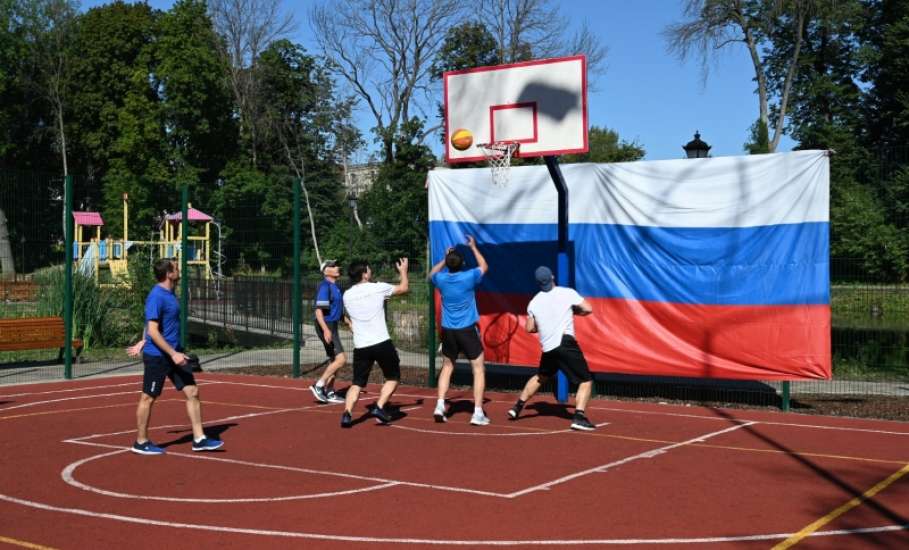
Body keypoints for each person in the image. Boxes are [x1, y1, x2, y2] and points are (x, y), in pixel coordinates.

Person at [129, 258, 224, 455]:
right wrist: (164, 350)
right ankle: (141, 442)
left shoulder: (171, 294)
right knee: (148, 397)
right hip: (159, 356)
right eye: (176, 268)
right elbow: (153, 329)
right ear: (169, 274)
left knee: (193, 392)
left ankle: (199, 438)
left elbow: (150, 324)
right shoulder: (157, 296)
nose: (180, 270)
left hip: (175, 354)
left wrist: (143, 339)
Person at [508, 266, 596, 431]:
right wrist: (575, 312)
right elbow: (588, 308)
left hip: (548, 348)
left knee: (541, 377)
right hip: (565, 343)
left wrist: (545, 323)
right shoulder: (567, 293)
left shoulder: (534, 302)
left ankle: (517, 407)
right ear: (552, 277)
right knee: (585, 381)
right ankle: (579, 417)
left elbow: (529, 328)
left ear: (538, 283)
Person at [339, 257, 409, 428]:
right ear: (364, 274)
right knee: (393, 377)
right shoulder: (378, 288)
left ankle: (347, 414)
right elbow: (404, 288)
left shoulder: (347, 295)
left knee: (357, 383)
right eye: (368, 269)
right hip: (381, 342)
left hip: (361, 345)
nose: (370, 271)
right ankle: (379, 406)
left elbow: (363, 305)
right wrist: (403, 272)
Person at [428, 235, 489, 425]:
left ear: (448, 264)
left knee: (447, 367)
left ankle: (439, 405)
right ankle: (477, 412)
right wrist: (473, 247)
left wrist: (443, 260)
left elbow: (431, 274)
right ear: (462, 263)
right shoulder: (469, 276)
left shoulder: (441, 279)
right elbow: (484, 266)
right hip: (466, 330)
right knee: (478, 369)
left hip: (449, 331)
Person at [310, 259, 347, 404]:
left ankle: (330, 392)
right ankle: (319, 385)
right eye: (332, 266)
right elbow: (319, 311)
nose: (337, 267)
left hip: (333, 325)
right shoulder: (325, 286)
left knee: (334, 360)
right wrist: (326, 330)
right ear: (326, 271)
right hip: (326, 325)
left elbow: (336, 309)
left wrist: (347, 321)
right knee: (341, 359)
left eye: (336, 265)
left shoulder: (335, 287)